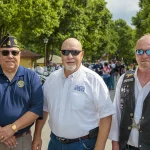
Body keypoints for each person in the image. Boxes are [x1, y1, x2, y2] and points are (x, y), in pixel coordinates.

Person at [32, 38, 115, 150]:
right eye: (65, 52)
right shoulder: (51, 79)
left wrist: (99, 147)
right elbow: (44, 109)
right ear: (61, 54)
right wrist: (37, 135)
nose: (70, 56)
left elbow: (106, 115)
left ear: (82, 54)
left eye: (75, 52)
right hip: (55, 143)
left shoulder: (93, 80)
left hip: (83, 145)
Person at [0, 34, 43, 150]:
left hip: (22, 141)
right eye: (5, 52)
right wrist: (2, 132)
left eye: (14, 52)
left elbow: (37, 108)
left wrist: (12, 128)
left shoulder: (31, 77)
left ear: (19, 54)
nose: (10, 56)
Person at [108, 34, 150, 150]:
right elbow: (116, 113)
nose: (144, 56)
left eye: (148, 51)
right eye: (139, 51)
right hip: (125, 146)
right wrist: (115, 143)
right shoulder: (125, 79)